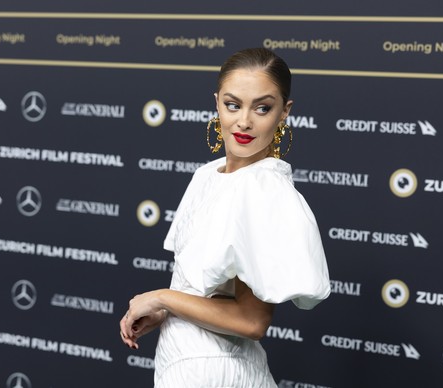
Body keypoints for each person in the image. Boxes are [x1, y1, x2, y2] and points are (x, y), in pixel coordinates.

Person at [120, 47, 330, 387]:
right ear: (217, 102)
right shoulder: (207, 176)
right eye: (233, 105)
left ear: (284, 112)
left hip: (218, 373)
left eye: (263, 107)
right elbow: (206, 291)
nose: (244, 121)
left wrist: (161, 297)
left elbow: (251, 321)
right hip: (183, 361)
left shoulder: (264, 191)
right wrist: (166, 313)